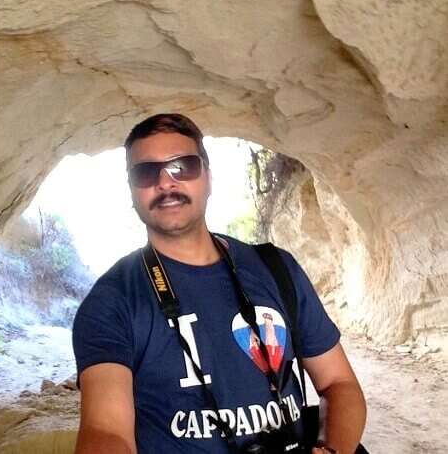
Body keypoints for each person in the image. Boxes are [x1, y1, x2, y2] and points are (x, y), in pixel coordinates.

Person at [72, 113, 366, 454]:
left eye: (183, 166)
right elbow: (106, 431)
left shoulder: (276, 268)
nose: (166, 183)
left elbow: (339, 383)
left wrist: (333, 450)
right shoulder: (112, 301)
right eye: (146, 172)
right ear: (132, 191)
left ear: (208, 178)